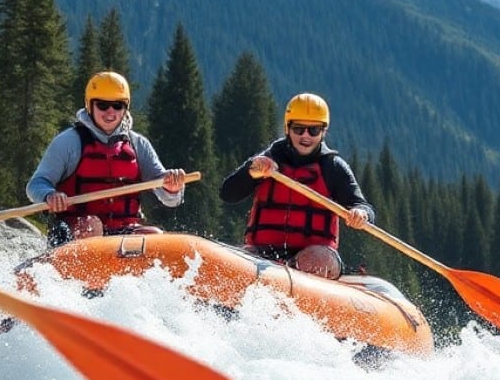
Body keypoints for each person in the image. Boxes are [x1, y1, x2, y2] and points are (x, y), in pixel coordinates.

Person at [220, 92, 374, 279]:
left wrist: (361, 213)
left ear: (324, 131)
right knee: (237, 259)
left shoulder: (333, 167)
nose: (305, 136)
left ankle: (288, 277)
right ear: (288, 129)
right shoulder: (267, 160)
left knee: (315, 260)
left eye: (313, 130)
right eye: (298, 129)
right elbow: (227, 193)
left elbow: (362, 206)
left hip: (315, 257)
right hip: (263, 253)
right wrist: (251, 172)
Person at [27, 71, 187, 246]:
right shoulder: (68, 142)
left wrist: (172, 189)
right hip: (76, 231)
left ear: (125, 107)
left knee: (154, 235)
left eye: (117, 105)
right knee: (92, 226)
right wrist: (49, 195)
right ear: (89, 106)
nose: (110, 111)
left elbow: (170, 199)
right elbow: (35, 185)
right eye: (102, 105)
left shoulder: (138, 145)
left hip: (122, 230)